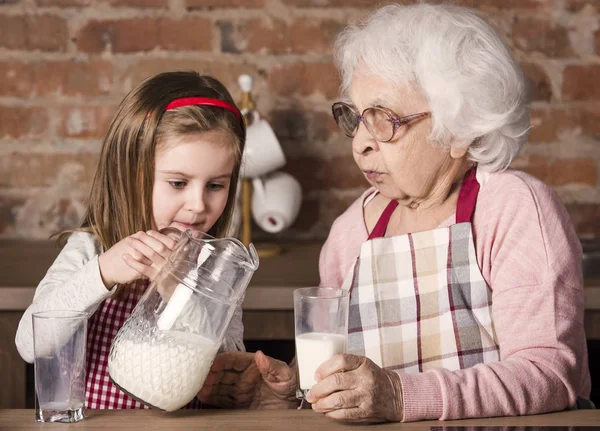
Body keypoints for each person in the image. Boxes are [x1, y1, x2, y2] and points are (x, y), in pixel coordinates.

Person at [197, 2, 593, 422]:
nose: (360, 144)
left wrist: (401, 395)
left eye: (383, 119)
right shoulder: (351, 234)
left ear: (458, 129)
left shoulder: (511, 209)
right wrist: (283, 392)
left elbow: (549, 374)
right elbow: (331, 386)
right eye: (355, 117)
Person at [15, 71, 247, 409]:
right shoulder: (92, 249)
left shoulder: (217, 271)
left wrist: (181, 293)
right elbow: (29, 344)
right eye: (178, 183)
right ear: (132, 174)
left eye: (215, 186)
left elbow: (229, 364)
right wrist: (103, 272)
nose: (198, 205)